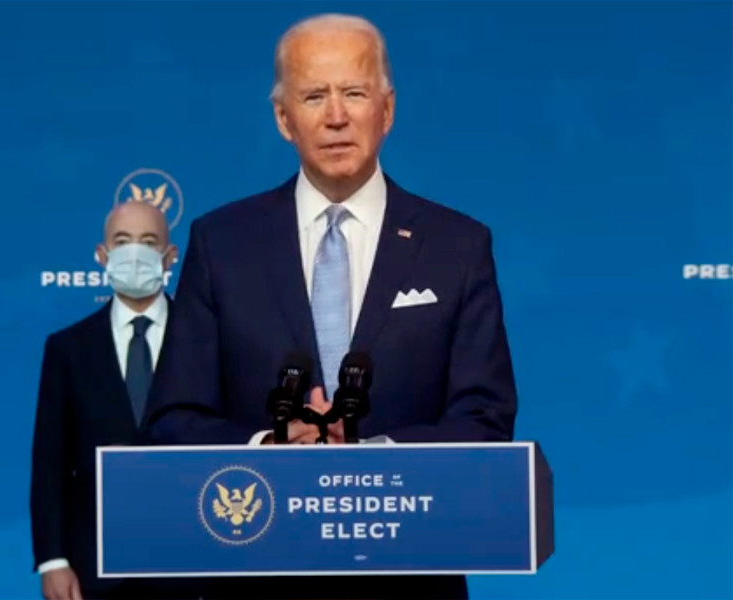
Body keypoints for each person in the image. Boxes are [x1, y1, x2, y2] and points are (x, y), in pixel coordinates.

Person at [145, 13, 518, 600]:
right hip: (256, 575)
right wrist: (268, 450)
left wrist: (371, 463)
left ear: (387, 110)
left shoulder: (458, 246)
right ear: (283, 118)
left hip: (408, 580)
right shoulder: (221, 243)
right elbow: (173, 419)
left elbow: (485, 418)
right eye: (314, 95)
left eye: (355, 93)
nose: (336, 116)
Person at [29, 201, 200, 600]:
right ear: (102, 255)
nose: (135, 253)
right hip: (94, 569)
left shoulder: (204, 339)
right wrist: (53, 560)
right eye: (122, 242)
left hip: (188, 558)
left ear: (170, 256)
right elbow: (50, 461)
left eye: (149, 241)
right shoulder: (67, 348)